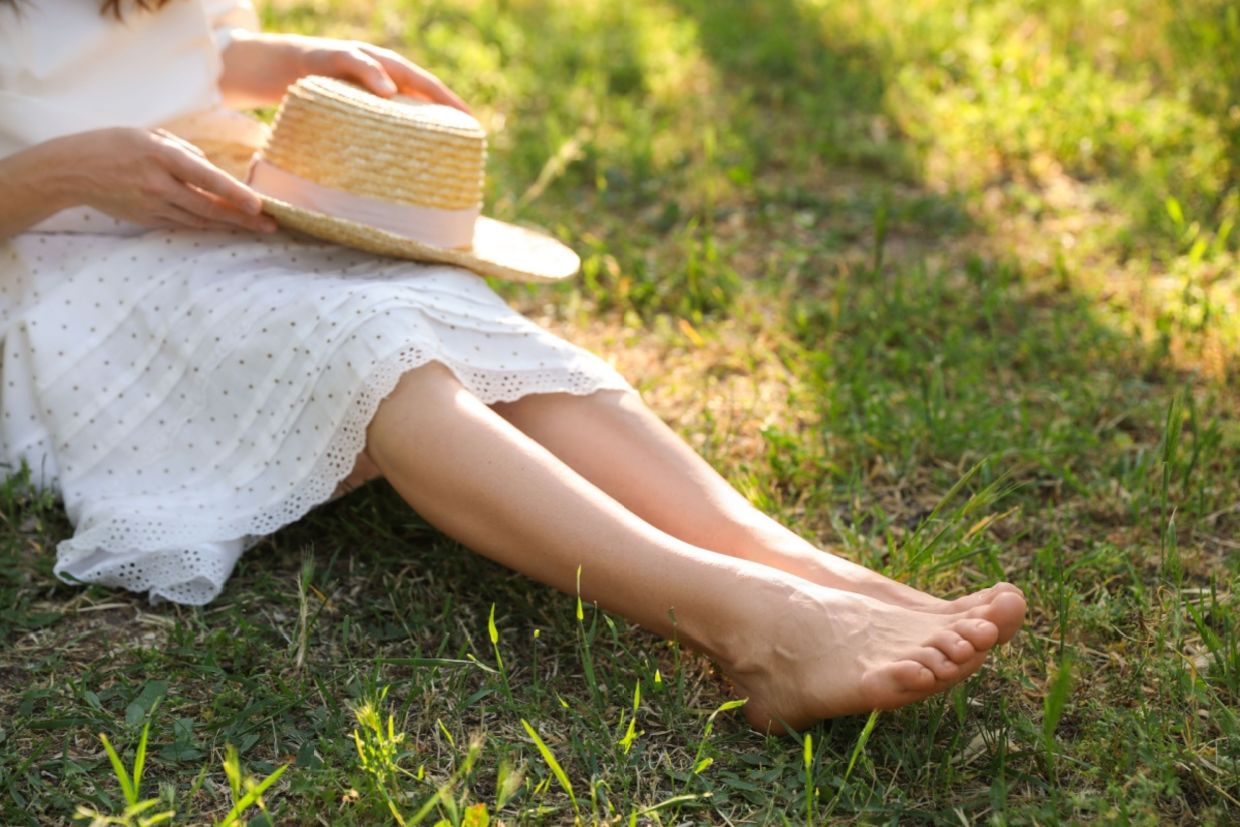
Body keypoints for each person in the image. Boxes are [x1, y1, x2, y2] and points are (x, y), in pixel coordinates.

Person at [0, 0, 1025, 734]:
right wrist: (63, 169)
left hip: (221, 207)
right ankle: (751, 624)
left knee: (458, 319)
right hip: (63, 264)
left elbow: (154, 41)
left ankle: (788, 559)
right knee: (375, 355)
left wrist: (277, 60)